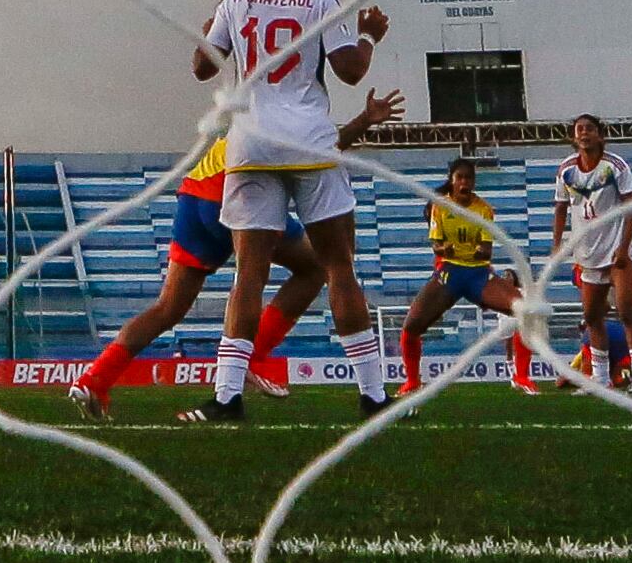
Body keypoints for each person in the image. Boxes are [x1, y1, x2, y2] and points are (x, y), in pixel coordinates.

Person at [70, 91, 401, 422]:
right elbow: (315, 153)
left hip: (195, 196)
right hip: (234, 193)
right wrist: (362, 121)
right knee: (312, 268)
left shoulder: (255, 116)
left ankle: (95, 379)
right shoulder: (289, 117)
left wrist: (362, 122)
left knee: (168, 306)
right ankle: (251, 359)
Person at [179, 0, 391, 424]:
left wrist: (221, 13)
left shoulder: (237, 3)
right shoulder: (319, 2)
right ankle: (373, 395)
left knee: (248, 274)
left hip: (251, 144)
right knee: (338, 267)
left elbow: (201, 68)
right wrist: (368, 35)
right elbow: (351, 71)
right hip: (309, 144)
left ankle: (228, 396)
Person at [395, 159, 539, 397]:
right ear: (451, 180)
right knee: (411, 326)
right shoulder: (440, 206)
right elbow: (435, 243)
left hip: (478, 274)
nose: (464, 182)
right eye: (460, 177)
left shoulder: (483, 209)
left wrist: (480, 251)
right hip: (449, 273)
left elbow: (486, 249)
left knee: (525, 311)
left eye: (468, 178)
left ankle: (521, 377)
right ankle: (412, 382)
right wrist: (444, 250)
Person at [552, 113, 632, 396]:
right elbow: (560, 207)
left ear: (600, 135)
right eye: (579, 129)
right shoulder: (566, 170)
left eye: (589, 129)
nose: (584, 133)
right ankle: (600, 377)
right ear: (574, 137)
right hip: (588, 253)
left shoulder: (615, 166)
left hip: (619, 251)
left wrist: (623, 247)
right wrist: (557, 244)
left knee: (627, 312)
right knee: (592, 316)